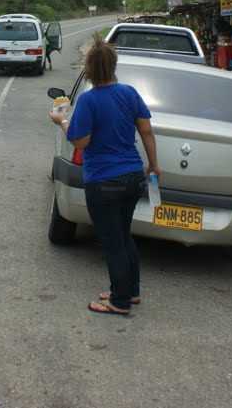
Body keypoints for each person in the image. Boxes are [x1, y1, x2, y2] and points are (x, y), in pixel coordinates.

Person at [49, 34, 160, 315]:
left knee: (113, 242)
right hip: (133, 175)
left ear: (89, 69)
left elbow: (80, 142)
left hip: (103, 181)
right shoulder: (129, 93)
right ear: (113, 66)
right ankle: (130, 291)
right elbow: (146, 130)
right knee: (124, 236)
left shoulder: (88, 101)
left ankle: (119, 301)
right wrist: (153, 164)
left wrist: (62, 121)